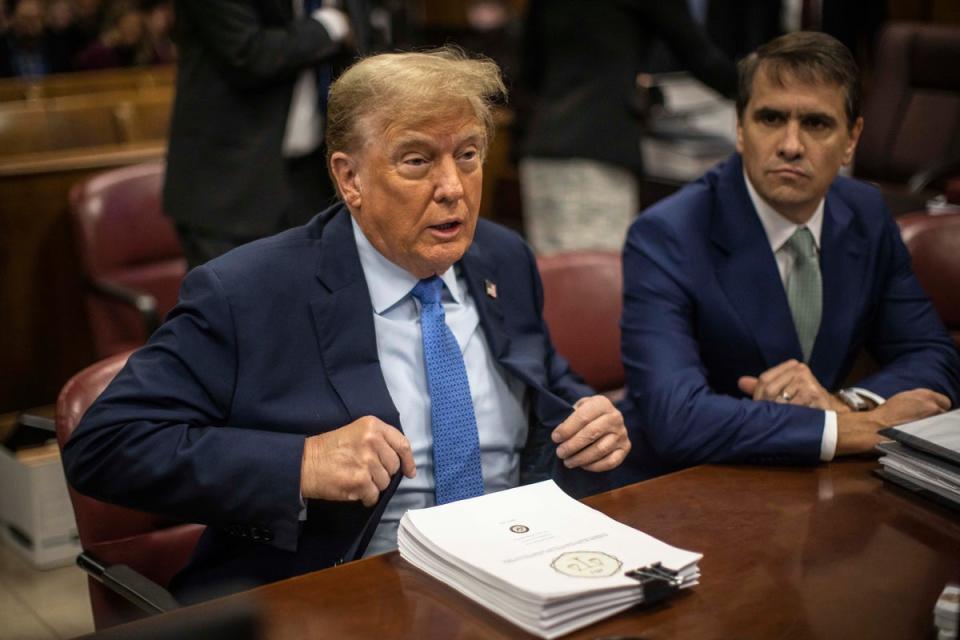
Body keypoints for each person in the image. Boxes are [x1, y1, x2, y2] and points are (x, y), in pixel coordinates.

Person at [62, 47, 630, 603]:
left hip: (519, 563)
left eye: (469, 154)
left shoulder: (502, 258)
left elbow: (542, 377)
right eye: (417, 160)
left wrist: (585, 415)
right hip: (350, 583)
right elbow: (105, 445)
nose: (453, 187)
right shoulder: (249, 292)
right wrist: (299, 464)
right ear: (349, 177)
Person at [616, 31, 960, 483]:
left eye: (816, 124)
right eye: (771, 119)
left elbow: (934, 357)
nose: (791, 145)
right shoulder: (668, 234)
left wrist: (848, 403)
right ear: (740, 129)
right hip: (689, 485)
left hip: (815, 485)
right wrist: (847, 429)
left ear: (852, 138)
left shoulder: (866, 213)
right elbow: (676, 417)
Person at [162, 0, 372, 269]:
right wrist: (329, 26)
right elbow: (250, 54)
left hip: (314, 177)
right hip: (230, 186)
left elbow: (365, 46)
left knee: (319, 299)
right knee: (236, 304)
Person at [517, 0, 738, 255]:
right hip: (599, 151)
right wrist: (765, 88)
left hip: (542, 147)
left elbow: (530, 71)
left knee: (550, 277)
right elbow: (702, 58)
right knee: (595, 280)